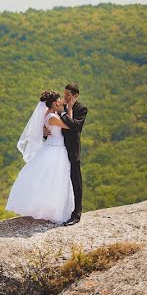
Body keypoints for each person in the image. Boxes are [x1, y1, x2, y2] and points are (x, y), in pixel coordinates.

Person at [5, 90, 75, 224]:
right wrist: (69, 109)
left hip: (52, 146)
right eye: (59, 100)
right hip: (56, 149)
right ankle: (56, 212)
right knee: (56, 179)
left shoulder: (48, 114)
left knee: (51, 179)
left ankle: (52, 208)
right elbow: (70, 125)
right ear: (54, 103)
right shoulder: (53, 117)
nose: (61, 101)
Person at [59, 83, 87, 226]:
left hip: (72, 149)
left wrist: (66, 111)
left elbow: (75, 127)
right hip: (57, 149)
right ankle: (60, 211)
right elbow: (55, 127)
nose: (65, 97)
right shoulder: (60, 107)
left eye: (68, 95)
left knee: (75, 180)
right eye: (64, 94)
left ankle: (76, 214)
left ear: (75, 96)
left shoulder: (81, 109)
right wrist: (46, 134)